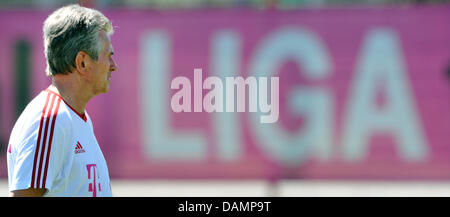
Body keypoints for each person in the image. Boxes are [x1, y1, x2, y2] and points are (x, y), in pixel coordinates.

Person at [6, 4, 117, 197]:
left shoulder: (72, 116)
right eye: (108, 56)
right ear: (82, 62)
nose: (113, 66)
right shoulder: (49, 119)